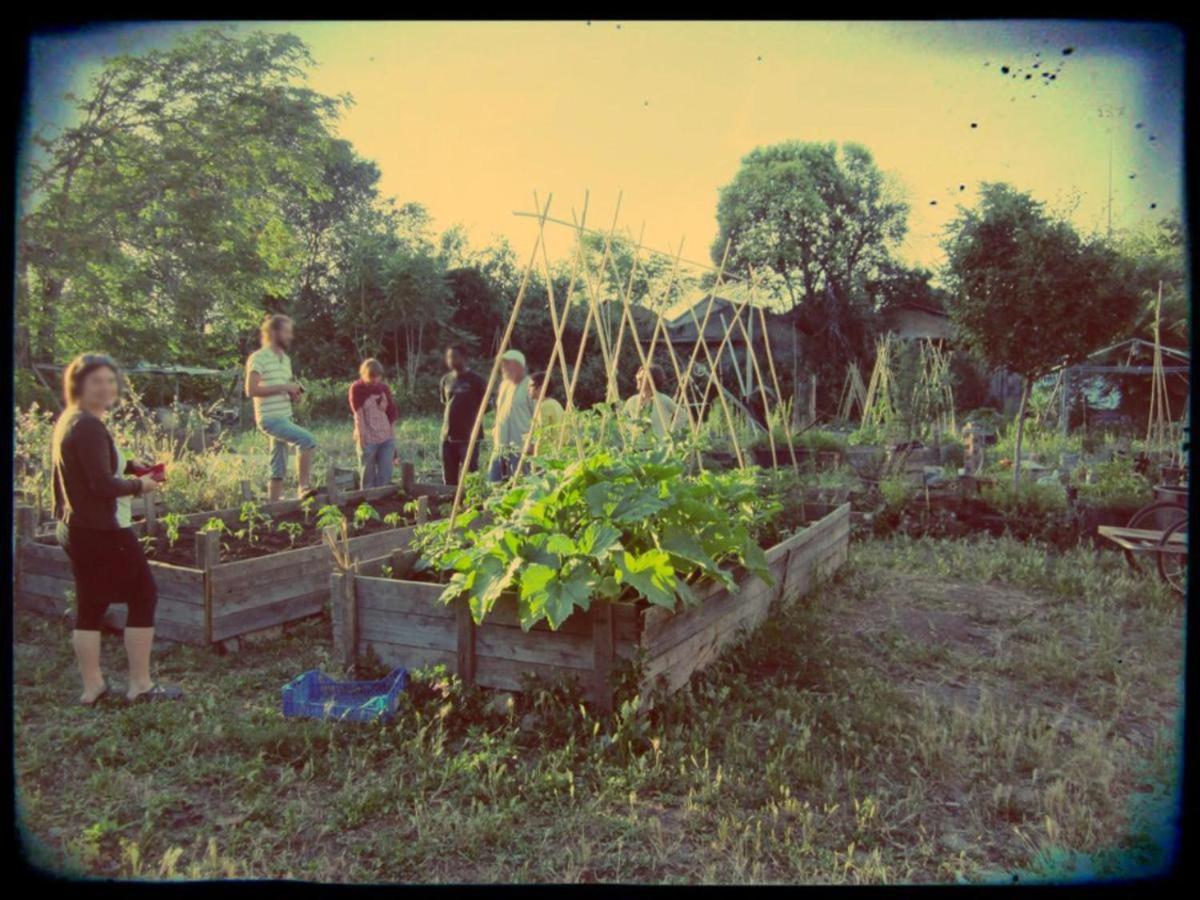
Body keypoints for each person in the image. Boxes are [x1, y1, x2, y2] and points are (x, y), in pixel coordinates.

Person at [50, 353, 183, 705]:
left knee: (91, 604)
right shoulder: (89, 426)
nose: (106, 387)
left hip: (76, 527)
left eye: (110, 380)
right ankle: (140, 685)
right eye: (96, 381)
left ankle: (92, 688)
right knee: (144, 595)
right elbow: (100, 484)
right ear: (78, 385)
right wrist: (141, 486)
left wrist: (130, 464)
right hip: (102, 530)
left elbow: (89, 465)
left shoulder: (72, 419)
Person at [244, 314, 318, 501]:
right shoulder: (258, 358)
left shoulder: (285, 360)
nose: (290, 336)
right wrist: (284, 387)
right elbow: (251, 390)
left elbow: (283, 390)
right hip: (270, 418)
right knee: (307, 440)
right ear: (273, 333)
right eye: (286, 332)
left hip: (285, 416)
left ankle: (274, 506)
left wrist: (294, 395)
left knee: (277, 465)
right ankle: (304, 487)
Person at [440, 346, 488, 486]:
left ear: (464, 358)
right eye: (449, 357)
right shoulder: (445, 380)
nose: (451, 360)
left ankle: (471, 499)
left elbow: (486, 406)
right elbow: (445, 402)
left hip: (469, 436)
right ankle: (450, 499)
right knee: (449, 476)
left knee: (471, 475)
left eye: (455, 356)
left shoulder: (477, 380)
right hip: (447, 435)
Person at [349, 358, 399, 489]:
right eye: (371, 377)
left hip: (385, 437)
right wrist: (361, 437)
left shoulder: (384, 389)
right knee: (367, 478)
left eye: (377, 376)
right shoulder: (357, 389)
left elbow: (391, 413)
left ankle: (382, 500)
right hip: (368, 438)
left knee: (385, 475)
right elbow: (358, 415)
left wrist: (392, 438)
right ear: (363, 374)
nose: (375, 380)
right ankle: (367, 500)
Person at [489, 349, 536, 483]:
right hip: (500, 444)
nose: (503, 368)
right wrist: (495, 428)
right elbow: (500, 411)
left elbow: (537, 416)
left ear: (519, 365)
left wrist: (533, 442)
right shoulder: (504, 385)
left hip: (520, 445)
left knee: (520, 483)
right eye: (503, 364)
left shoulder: (531, 385)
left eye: (507, 364)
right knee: (493, 481)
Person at [623, 364, 684, 440]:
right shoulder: (632, 401)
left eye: (642, 378)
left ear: (652, 380)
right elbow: (623, 419)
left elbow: (683, 415)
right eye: (638, 377)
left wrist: (670, 431)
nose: (638, 379)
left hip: (659, 444)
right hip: (638, 444)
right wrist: (632, 430)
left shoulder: (663, 400)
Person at [527, 370, 565, 454]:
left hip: (546, 455)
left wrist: (535, 454)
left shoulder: (543, 407)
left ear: (540, 388)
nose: (528, 389)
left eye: (530, 386)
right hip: (558, 452)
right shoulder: (555, 403)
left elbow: (542, 436)